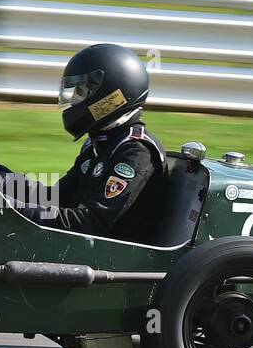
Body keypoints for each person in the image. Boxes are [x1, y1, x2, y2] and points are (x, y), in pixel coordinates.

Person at [15, 43, 166, 241]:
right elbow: (56, 196)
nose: (75, 99)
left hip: (113, 262)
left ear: (110, 96)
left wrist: (11, 208)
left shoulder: (136, 152)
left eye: (82, 91)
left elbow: (91, 223)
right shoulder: (99, 143)